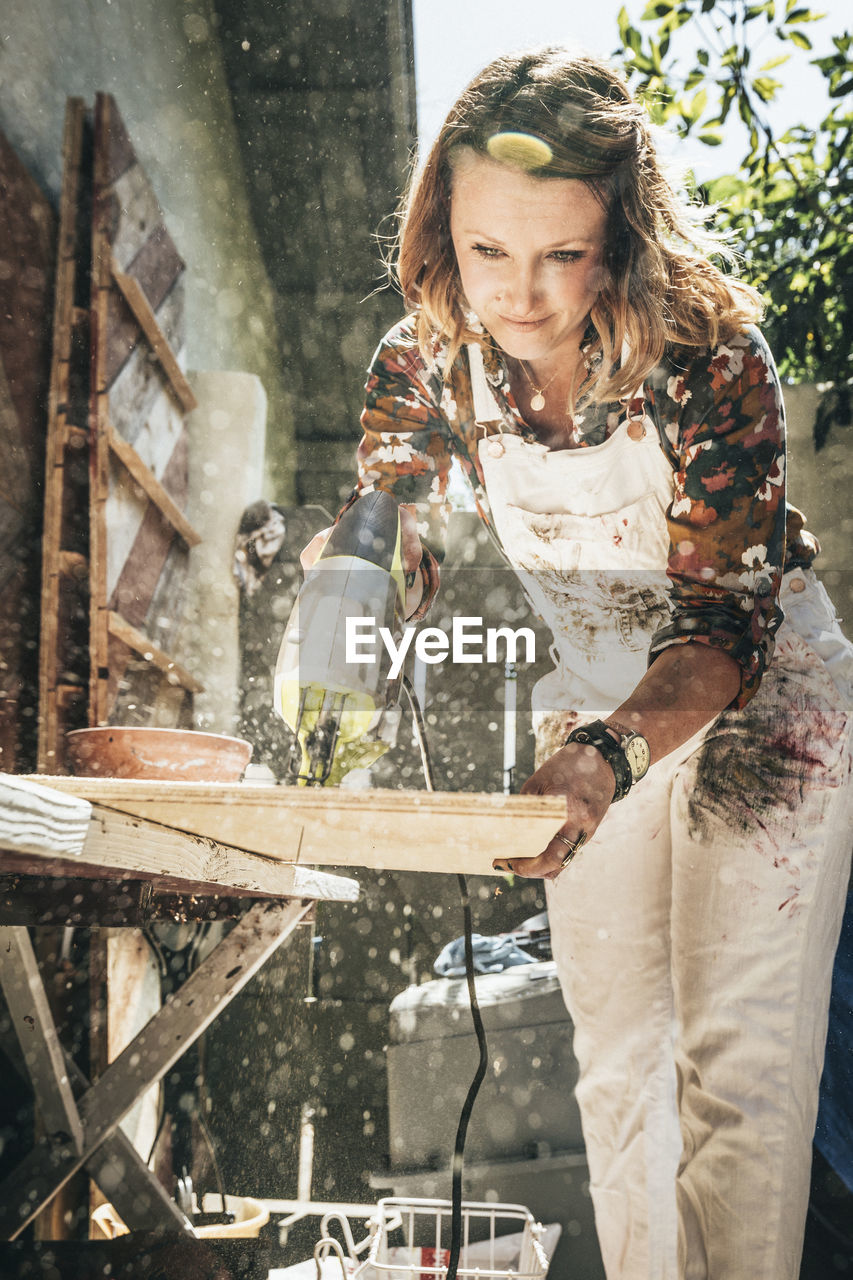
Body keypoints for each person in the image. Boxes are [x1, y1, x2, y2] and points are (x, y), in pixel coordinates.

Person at [304, 47, 853, 1278]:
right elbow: (398, 517)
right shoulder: (428, 356)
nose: (521, 295)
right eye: (488, 250)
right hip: (592, 689)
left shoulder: (710, 358)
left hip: (764, 702)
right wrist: (365, 566)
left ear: (624, 234)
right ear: (442, 229)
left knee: (738, 1065)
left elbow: (721, 626)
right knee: (616, 1059)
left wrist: (608, 752)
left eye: (562, 253)